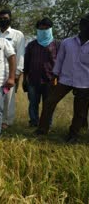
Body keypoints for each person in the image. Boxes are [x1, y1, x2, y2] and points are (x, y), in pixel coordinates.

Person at [34, 13, 89, 142]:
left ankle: (73, 135)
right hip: (65, 79)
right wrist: (55, 76)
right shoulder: (67, 42)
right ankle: (42, 130)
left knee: (80, 111)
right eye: (85, 24)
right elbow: (59, 60)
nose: (87, 28)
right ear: (81, 26)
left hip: (85, 82)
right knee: (49, 102)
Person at [23, 18, 59, 127]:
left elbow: (60, 62)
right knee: (33, 103)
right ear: (37, 30)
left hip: (50, 80)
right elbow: (26, 63)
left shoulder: (57, 44)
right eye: (41, 28)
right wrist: (25, 79)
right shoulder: (31, 45)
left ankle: (47, 124)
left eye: (46, 28)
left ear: (50, 29)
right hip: (33, 80)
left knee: (48, 104)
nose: (43, 30)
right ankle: (34, 122)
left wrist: (57, 78)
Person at [0, 9, 25, 129]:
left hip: (10, 73)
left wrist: (17, 73)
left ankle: (7, 121)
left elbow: (20, 54)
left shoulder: (17, 34)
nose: (3, 20)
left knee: (8, 97)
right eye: (0, 18)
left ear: (10, 18)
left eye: (5, 18)